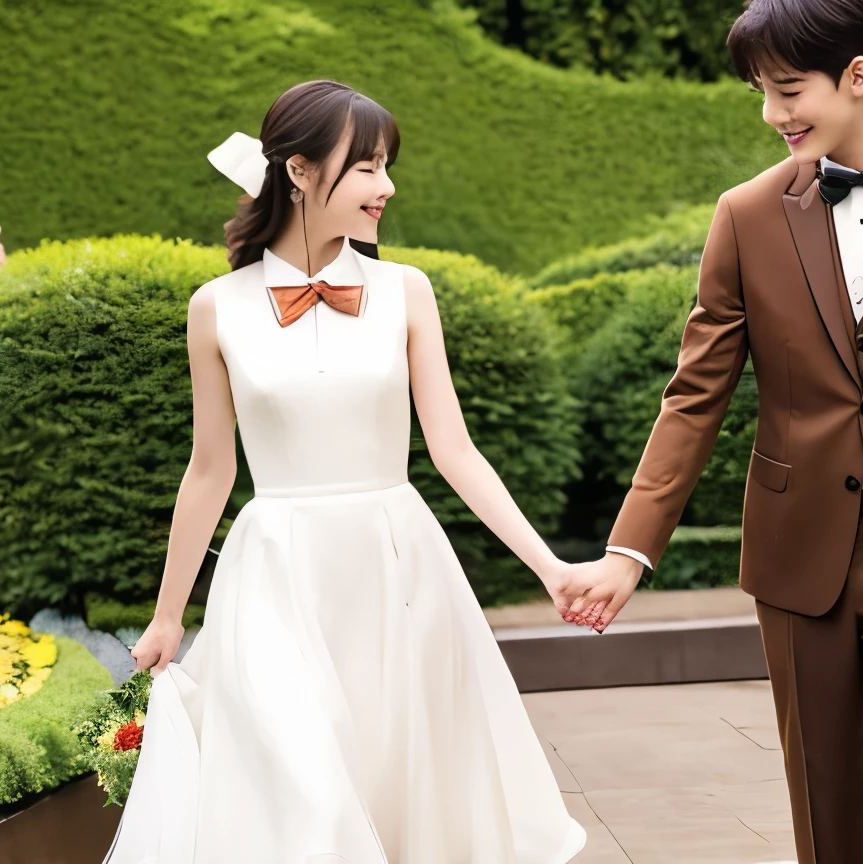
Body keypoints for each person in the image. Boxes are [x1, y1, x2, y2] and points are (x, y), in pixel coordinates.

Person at [561, 1, 863, 861]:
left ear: (858, 77)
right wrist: (628, 552)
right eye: (760, 93)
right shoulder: (744, 215)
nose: (772, 114)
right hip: (798, 550)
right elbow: (695, 395)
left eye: (787, 90)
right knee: (824, 810)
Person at [103, 79, 588, 864]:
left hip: (397, 570)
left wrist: (549, 567)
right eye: (366, 167)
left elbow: (455, 450)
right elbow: (209, 470)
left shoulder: (407, 293)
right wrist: (168, 616)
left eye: (385, 165)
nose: (386, 186)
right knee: (305, 788)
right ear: (299, 172)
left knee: (398, 785)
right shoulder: (215, 308)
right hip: (274, 573)